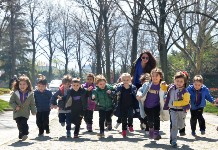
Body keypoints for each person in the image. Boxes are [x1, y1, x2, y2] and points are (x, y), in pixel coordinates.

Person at [136, 68, 170, 140]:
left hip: (156, 105)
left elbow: (166, 93)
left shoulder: (162, 86)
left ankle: (156, 133)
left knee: (156, 118)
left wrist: (165, 98)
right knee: (150, 120)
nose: (154, 77)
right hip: (147, 106)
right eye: (153, 76)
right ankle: (151, 129)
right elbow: (140, 90)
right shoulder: (147, 85)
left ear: (160, 77)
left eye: (156, 76)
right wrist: (138, 95)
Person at [163, 71, 190, 148]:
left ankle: (182, 125)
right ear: (174, 81)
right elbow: (164, 88)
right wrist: (162, 85)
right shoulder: (171, 87)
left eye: (181, 81)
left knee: (180, 125)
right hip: (173, 110)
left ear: (184, 82)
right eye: (177, 81)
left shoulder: (185, 92)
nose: (179, 83)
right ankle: (173, 140)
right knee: (174, 125)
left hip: (182, 111)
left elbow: (186, 101)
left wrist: (176, 103)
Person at [130, 50, 157, 129]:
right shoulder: (136, 64)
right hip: (136, 85)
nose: (145, 59)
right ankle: (142, 121)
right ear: (141, 57)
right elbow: (132, 74)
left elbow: (154, 76)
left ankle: (146, 121)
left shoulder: (151, 66)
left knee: (146, 104)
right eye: (143, 57)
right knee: (138, 105)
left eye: (147, 58)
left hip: (146, 86)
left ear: (149, 59)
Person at [9, 75, 36, 141]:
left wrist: (33, 111)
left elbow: (32, 103)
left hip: (25, 112)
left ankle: (25, 133)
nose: (22, 86)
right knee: (19, 123)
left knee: (23, 122)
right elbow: (11, 102)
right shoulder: (15, 93)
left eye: (24, 84)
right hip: (17, 112)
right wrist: (15, 106)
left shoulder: (30, 94)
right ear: (18, 85)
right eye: (20, 84)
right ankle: (21, 133)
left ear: (27, 85)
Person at [113, 73, 139, 137]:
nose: (126, 81)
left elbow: (136, 96)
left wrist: (137, 101)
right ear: (121, 80)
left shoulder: (133, 87)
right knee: (123, 118)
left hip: (130, 105)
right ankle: (124, 130)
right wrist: (111, 93)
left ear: (130, 80)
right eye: (124, 80)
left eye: (127, 80)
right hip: (122, 106)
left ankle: (130, 125)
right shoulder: (119, 87)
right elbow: (114, 93)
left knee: (130, 115)